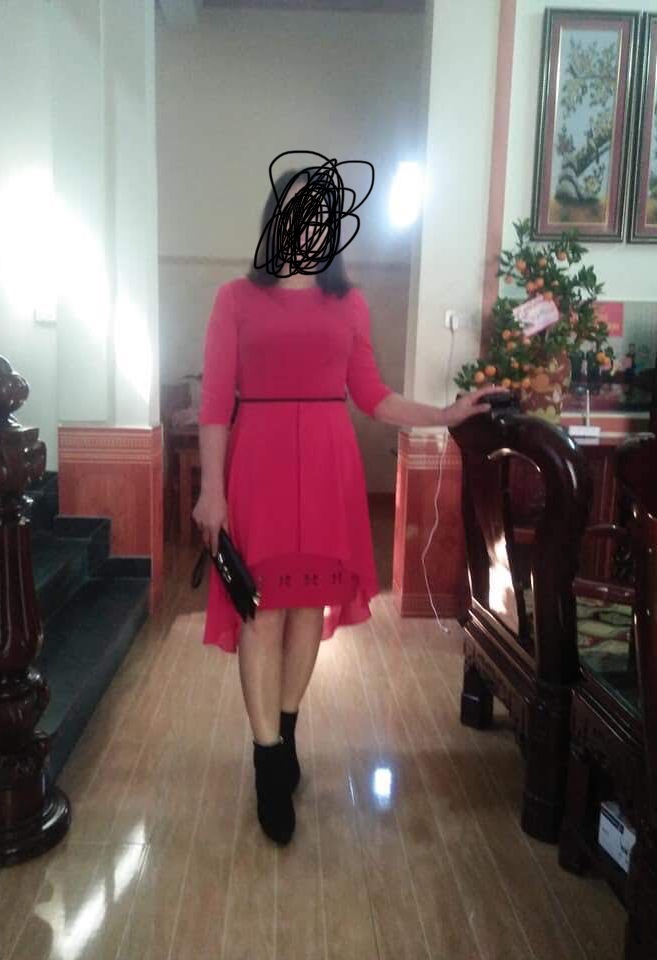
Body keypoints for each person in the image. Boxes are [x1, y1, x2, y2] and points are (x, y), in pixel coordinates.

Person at [193, 168, 504, 846]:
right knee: (261, 612)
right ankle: (267, 760)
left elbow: (372, 396)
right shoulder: (234, 299)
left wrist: (445, 414)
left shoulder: (350, 303)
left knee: (308, 605)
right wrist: (211, 489)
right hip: (258, 469)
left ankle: (287, 728)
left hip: (328, 469)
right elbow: (215, 402)